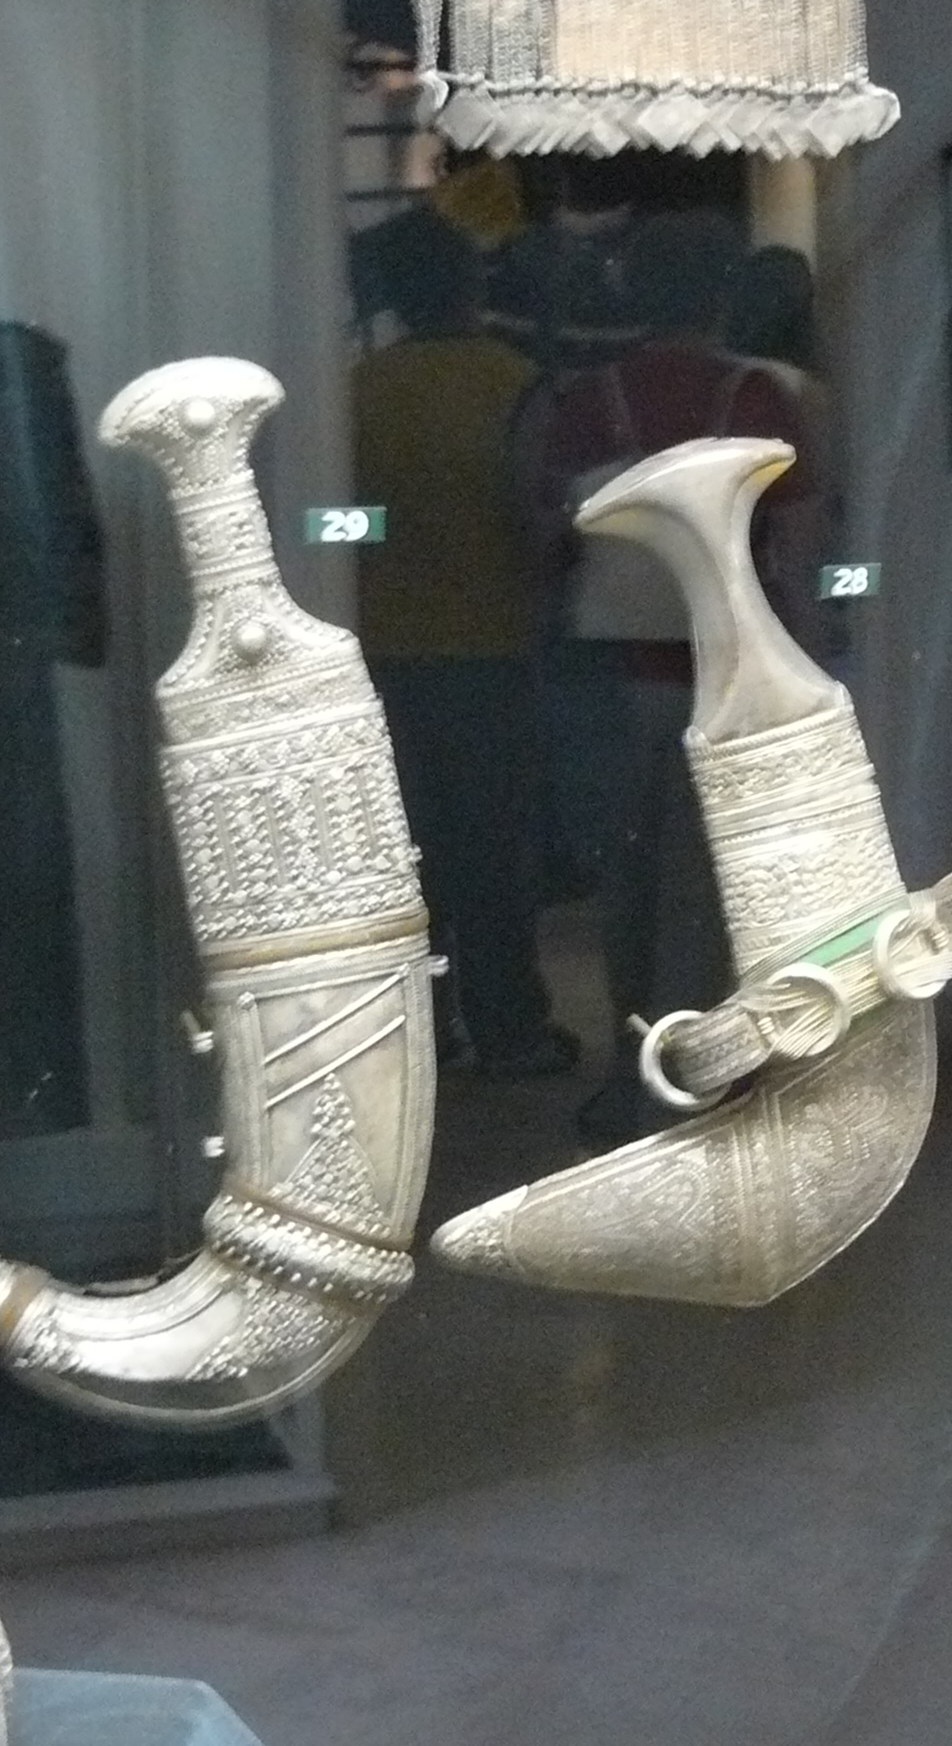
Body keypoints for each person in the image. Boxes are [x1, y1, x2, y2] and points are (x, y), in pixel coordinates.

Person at [521, 207, 828, 1143]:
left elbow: (547, 533)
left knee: (625, 889)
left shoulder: (589, 401)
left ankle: (635, 1075)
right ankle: (707, 1073)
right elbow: (799, 537)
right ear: (725, 293)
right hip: (731, 671)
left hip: (613, 675)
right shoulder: (756, 398)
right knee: (713, 886)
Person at [349, 207, 574, 1079]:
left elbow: (343, 522)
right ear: (473, 282)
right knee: (494, 859)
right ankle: (510, 1029)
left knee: (404, 861)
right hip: (492, 648)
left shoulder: (358, 389)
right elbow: (543, 519)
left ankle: (422, 1035)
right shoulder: (515, 383)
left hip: (381, 653)